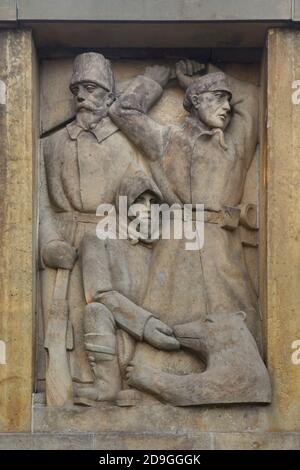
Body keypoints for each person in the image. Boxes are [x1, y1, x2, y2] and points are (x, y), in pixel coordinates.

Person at [108, 59, 262, 370]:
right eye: (218, 97)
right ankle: (150, 384)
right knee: (167, 326)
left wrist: (208, 72)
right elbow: (122, 111)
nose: (227, 107)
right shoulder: (167, 139)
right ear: (195, 101)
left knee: (241, 325)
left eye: (229, 100)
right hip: (177, 250)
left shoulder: (234, 146)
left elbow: (256, 100)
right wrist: (156, 82)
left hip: (222, 252)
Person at [75, 170, 179, 405]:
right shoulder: (97, 239)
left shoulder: (171, 244)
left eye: (153, 202)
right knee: (95, 312)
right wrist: (145, 324)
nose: (148, 208)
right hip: (125, 329)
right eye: (139, 201)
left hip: (166, 329)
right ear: (124, 204)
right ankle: (107, 385)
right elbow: (98, 293)